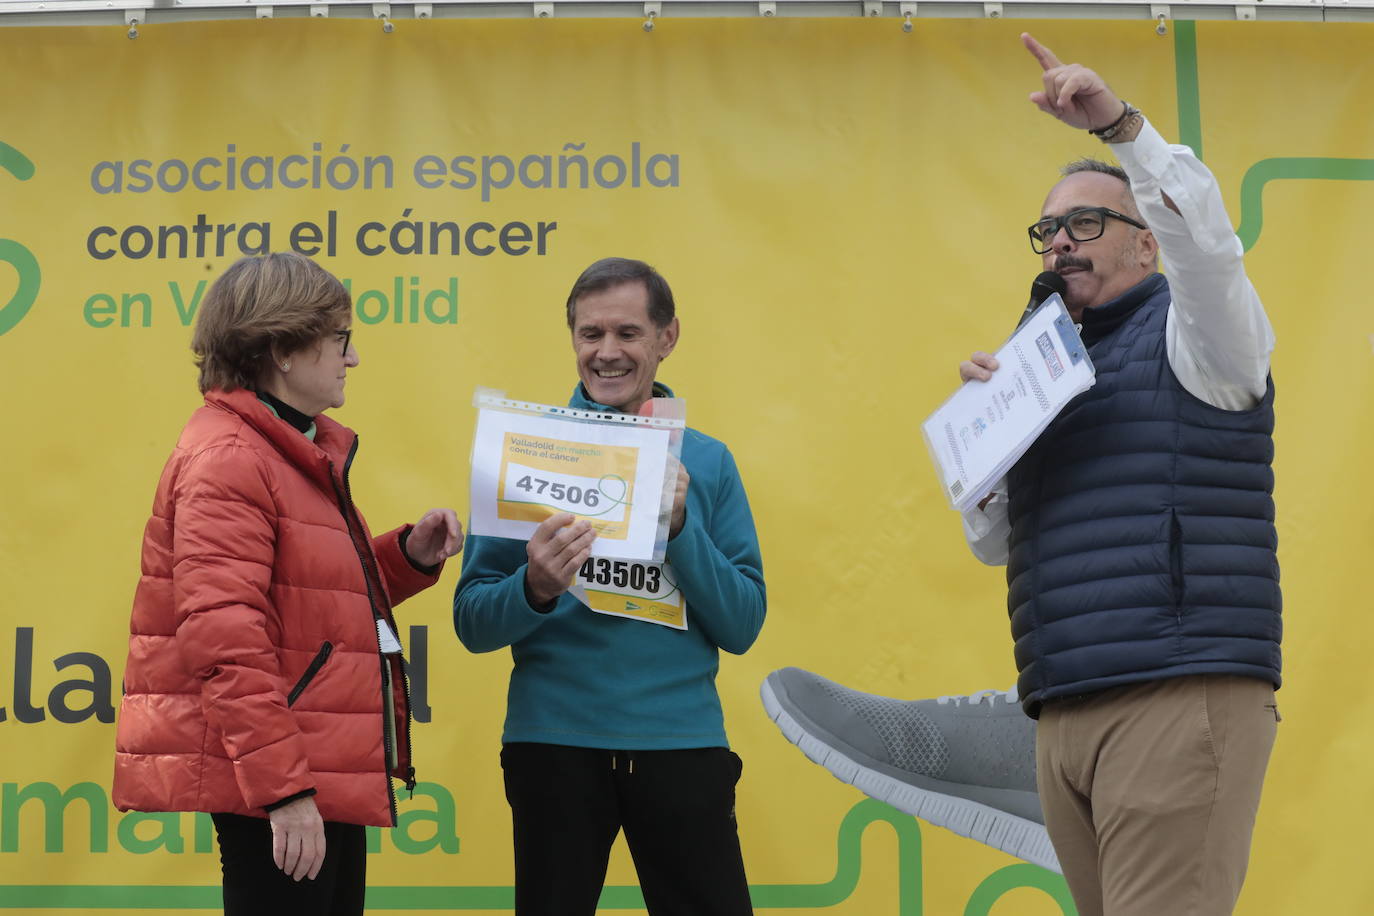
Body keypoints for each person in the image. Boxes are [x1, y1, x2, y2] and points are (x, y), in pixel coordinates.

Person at [764, 34, 1281, 916]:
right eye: (1049, 230)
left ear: (1146, 246)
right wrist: (993, 434)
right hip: (1064, 703)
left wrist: (1121, 128)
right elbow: (993, 541)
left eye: (1088, 225)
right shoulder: (1045, 367)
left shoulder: (1200, 340)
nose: (1061, 245)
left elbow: (1210, 249)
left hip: (1175, 690)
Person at [112, 252, 463, 916]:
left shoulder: (288, 448)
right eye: (340, 340)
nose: (351, 359)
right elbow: (226, 641)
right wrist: (285, 792)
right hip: (282, 780)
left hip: (315, 767)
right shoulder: (233, 460)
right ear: (282, 349)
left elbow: (313, 604)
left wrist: (408, 554)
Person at [454, 257, 766, 916]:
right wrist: (534, 587)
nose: (607, 352)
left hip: (681, 746)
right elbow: (473, 623)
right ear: (572, 339)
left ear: (667, 336)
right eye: (590, 334)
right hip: (554, 746)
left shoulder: (706, 461)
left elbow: (742, 625)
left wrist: (682, 528)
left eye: (627, 332)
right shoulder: (527, 451)